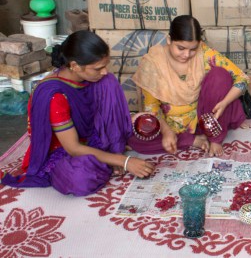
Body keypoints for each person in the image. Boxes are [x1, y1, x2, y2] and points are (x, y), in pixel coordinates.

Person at [1, 30, 154, 196]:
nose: (104, 71)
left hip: (90, 137)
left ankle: (109, 152)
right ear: (74, 66)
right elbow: (73, 148)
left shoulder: (94, 78)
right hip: (62, 150)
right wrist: (124, 161)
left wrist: (116, 153)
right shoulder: (55, 95)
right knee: (81, 179)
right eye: (98, 68)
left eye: (105, 65)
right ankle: (106, 157)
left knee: (108, 82)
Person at [128, 15, 249, 157]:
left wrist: (224, 103)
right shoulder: (153, 63)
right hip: (171, 123)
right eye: (181, 48)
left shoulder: (203, 53)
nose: (186, 54)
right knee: (134, 137)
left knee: (220, 76)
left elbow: (242, 78)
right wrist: (167, 132)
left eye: (192, 49)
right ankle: (191, 140)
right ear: (169, 40)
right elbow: (151, 109)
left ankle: (215, 138)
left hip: (204, 116)